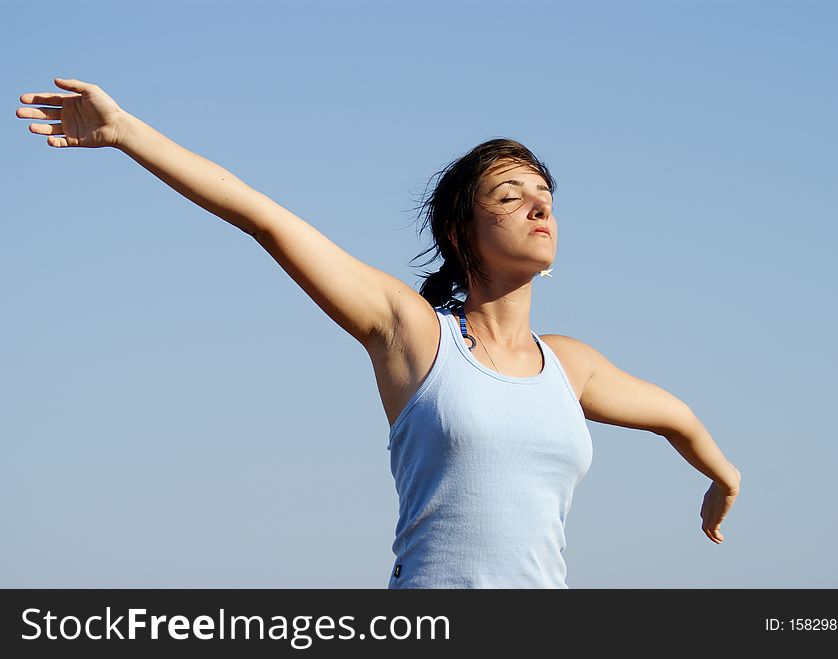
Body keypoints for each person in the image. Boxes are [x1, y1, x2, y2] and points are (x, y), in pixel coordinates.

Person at [17, 77, 742, 589]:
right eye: (510, 196)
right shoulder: (415, 333)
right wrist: (127, 132)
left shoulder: (572, 368)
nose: (538, 207)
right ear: (462, 235)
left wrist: (721, 472)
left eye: (545, 196)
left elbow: (674, 416)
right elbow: (265, 218)